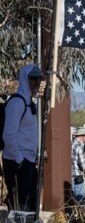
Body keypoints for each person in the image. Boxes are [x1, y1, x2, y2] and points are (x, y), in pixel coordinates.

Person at [2, 64, 44, 212]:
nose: (37, 82)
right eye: (33, 78)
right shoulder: (17, 103)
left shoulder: (28, 103)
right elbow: (8, 135)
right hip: (17, 161)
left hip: (28, 161)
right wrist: (20, 160)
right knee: (20, 208)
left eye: (39, 78)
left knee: (30, 207)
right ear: (25, 79)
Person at [71, 126, 85, 205]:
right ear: (83, 136)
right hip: (78, 177)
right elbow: (84, 166)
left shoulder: (72, 144)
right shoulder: (80, 146)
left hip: (72, 177)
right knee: (81, 202)